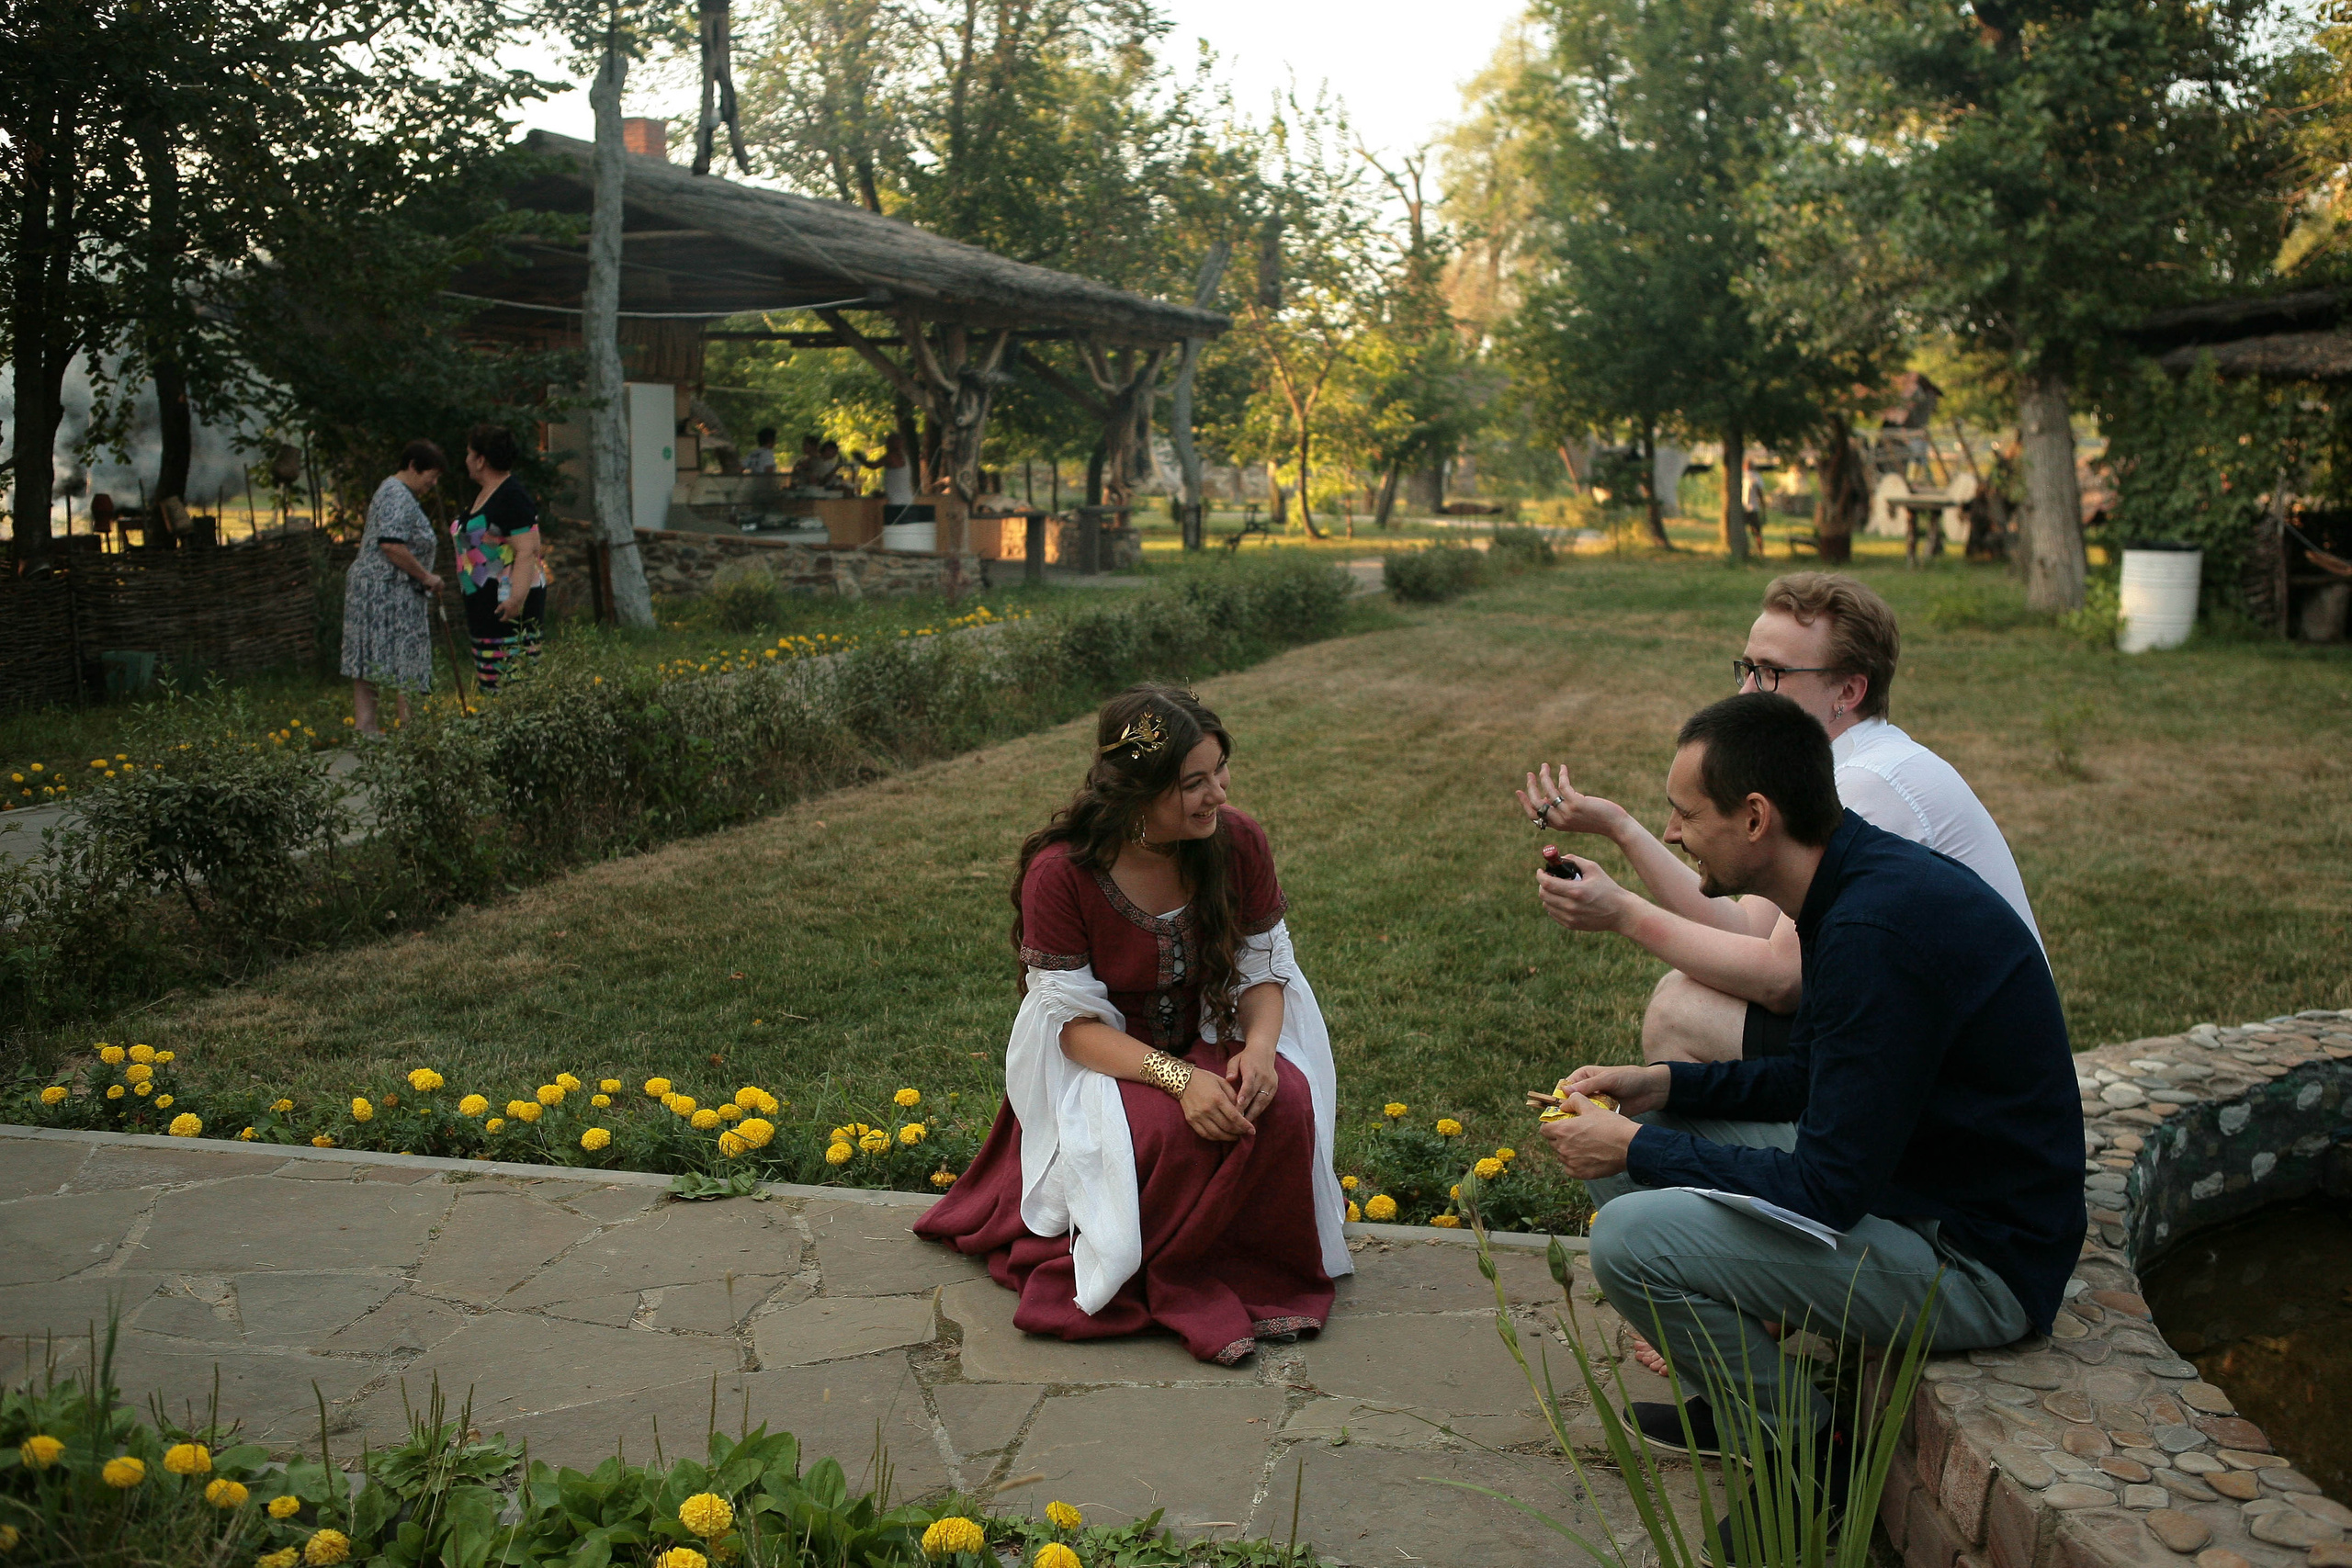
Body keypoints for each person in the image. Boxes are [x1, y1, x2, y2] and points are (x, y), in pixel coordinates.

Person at [1538, 694, 2083, 1537]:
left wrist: (1640, 1142)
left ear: (1756, 817)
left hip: (1977, 1261)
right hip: (1910, 1188)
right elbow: (1811, 1077)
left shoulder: (1873, 925)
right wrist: (1663, 1088)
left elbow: (1825, 1186)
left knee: (1627, 1235)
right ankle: (1740, 1398)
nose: (1673, 834)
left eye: (1685, 815)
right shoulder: (1851, 881)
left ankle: (1814, 1458)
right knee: (1638, 1161)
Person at [915, 685, 1351, 1365]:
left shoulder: (1236, 843)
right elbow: (1071, 1026)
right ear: (1137, 791)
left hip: (1216, 1028)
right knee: (1169, 1132)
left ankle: (1258, 1276)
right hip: (1104, 1057)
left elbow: (1268, 967)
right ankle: (1162, 1277)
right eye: (1194, 783)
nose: (1219, 795)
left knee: (1280, 1100)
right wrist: (1179, 1079)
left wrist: (1261, 1049)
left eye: (1221, 771)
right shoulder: (1061, 873)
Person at [1521, 571, 2040, 1067]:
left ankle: (1768, 1158)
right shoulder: (1839, 769)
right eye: (1746, 668)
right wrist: (1620, 827)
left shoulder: (1868, 786)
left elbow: (1780, 981)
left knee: (1680, 1013)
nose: (1747, 691)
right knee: (1682, 994)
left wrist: (1622, 914)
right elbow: (1747, 927)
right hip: (1930, 1042)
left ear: (1848, 692)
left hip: (1974, 1077)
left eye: (1772, 674)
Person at [343, 442, 447, 732]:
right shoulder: (396, 495)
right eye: (432, 476)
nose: (433, 484)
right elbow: (390, 544)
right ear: (413, 466)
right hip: (383, 589)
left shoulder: (399, 493)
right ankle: (405, 730)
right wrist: (426, 576)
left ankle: (375, 730)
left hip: (389, 588)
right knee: (396, 657)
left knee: (376, 659)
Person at [448, 423, 544, 692]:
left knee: (511, 688)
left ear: (480, 460)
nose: (465, 460)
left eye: (469, 453)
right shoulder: (488, 494)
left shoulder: (511, 496)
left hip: (506, 611)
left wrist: (515, 600)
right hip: (484, 607)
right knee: (492, 686)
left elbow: (528, 550)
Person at [881, 432, 915, 506]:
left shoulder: (891, 456)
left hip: (896, 499)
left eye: (888, 442)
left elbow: (872, 466)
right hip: (907, 497)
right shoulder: (904, 457)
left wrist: (860, 458)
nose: (886, 445)